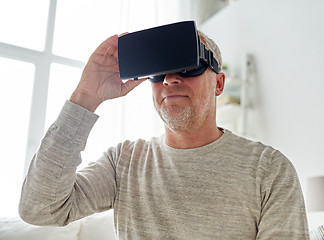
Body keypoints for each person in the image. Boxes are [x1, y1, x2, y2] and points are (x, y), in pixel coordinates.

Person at [19, 29, 309, 239]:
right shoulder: (124, 162)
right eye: (158, 72)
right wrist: (85, 96)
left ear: (219, 84)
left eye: (189, 66)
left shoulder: (269, 170)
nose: (171, 79)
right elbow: (40, 209)